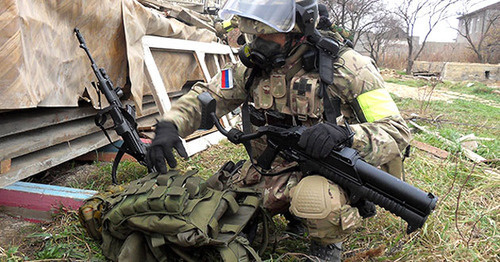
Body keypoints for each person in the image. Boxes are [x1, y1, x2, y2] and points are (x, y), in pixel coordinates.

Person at [147, 0, 410, 261]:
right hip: (271, 167)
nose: (257, 40)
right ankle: (287, 212)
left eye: (267, 31)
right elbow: (210, 94)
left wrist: (346, 135)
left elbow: (396, 131)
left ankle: (327, 245)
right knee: (214, 203)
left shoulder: (348, 67)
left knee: (317, 199)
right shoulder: (250, 68)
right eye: (253, 30)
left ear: (299, 30)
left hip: (325, 171)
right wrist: (171, 124)